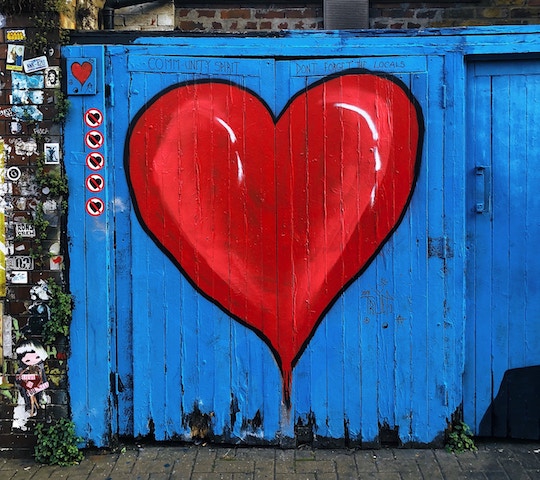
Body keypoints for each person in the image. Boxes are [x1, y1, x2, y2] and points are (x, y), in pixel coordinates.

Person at [15, 339, 49, 417]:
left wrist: (35, 389)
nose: (33, 361)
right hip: (26, 392)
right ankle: (30, 407)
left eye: (37, 357)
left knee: (38, 398)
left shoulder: (40, 369)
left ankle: (37, 406)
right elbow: (19, 381)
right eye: (27, 360)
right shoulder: (22, 370)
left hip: (37, 391)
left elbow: (45, 383)